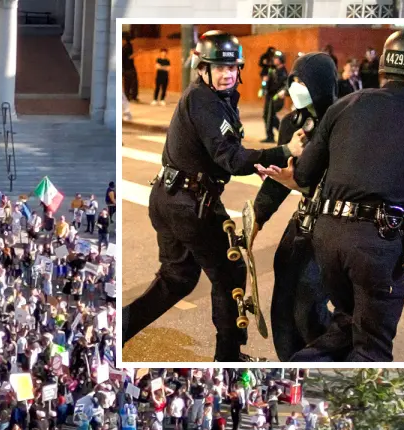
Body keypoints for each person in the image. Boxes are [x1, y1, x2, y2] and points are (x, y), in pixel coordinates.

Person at [271, 28, 404, 362]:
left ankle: (300, 366)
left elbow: (305, 173)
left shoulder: (344, 106)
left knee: (345, 325)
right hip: (375, 247)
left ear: (385, 67)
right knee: (371, 351)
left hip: (326, 240)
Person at [122, 30, 296, 361]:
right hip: (188, 204)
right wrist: (285, 150)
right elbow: (229, 157)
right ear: (203, 68)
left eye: (232, 67)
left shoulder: (215, 99)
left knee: (178, 279)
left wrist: (258, 163)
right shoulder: (203, 100)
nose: (227, 73)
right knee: (229, 273)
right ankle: (228, 358)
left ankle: (118, 331)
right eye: (219, 67)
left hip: (174, 197)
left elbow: (229, 155)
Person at [249, 52, 337, 360]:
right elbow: (278, 180)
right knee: (283, 293)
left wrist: (297, 181)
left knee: (308, 299)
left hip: (332, 223)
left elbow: (338, 180)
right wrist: (256, 221)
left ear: (322, 85)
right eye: (294, 81)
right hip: (303, 220)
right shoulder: (292, 123)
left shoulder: (340, 121)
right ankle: (289, 356)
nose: (297, 87)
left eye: (304, 82)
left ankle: (325, 354)